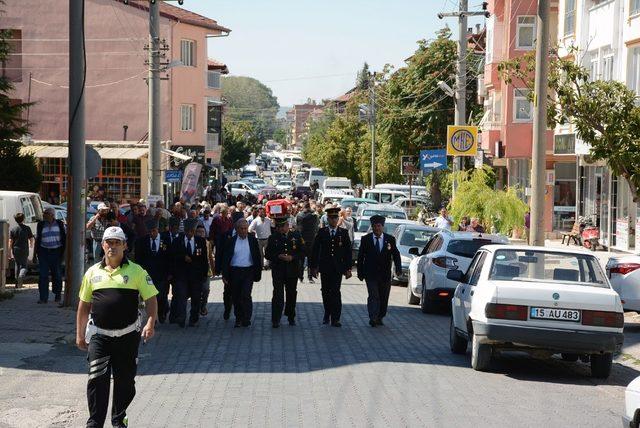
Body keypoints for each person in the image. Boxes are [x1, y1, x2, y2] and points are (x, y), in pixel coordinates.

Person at [75, 226, 158, 428]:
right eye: (108, 242)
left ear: (125, 246)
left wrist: (150, 321)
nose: (112, 247)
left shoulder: (137, 271)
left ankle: (119, 419)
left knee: (125, 382)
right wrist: (79, 334)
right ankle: (95, 422)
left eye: (117, 243)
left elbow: (151, 299)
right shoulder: (92, 272)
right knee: (97, 380)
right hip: (99, 337)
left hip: (127, 336)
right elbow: (83, 306)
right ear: (102, 245)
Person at [310, 206, 352, 327]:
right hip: (325, 267)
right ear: (327, 219)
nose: (333, 220)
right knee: (325, 292)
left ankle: (336, 318)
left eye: (335, 218)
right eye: (331, 218)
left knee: (335, 292)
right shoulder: (322, 232)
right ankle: (327, 312)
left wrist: (348, 268)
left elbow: (347, 252)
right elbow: (315, 250)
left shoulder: (343, 233)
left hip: (337, 269)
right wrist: (313, 267)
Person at [357, 215, 402, 327]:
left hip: (385, 275)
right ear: (371, 227)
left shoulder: (390, 239)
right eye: (374, 226)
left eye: (378, 226)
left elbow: (396, 255)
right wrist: (360, 272)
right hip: (370, 274)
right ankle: (373, 317)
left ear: (382, 226)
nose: (376, 228)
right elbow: (360, 257)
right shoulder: (366, 239)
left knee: (383, 297)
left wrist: (398, 269)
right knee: (373, 295)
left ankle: (380, 316)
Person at [220, 219, 262, 327]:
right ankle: (238, 317)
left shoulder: (252, 240)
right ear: (237, 229)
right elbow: (225, 258)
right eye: (241, 229)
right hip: (235, 272)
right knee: (236, 296)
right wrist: (224, 274)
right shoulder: (231, 241)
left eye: (245, 229)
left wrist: (258, 272)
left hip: (248, 271)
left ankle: (246, 318)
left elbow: (257, 256)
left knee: (246, 294)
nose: (244, 231)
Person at [265, 217, 304, 328]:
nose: (282, 229)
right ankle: (275, 319)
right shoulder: (273, 237)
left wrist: (293, 257)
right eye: (279, 227)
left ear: (288, 225)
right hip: (278, 270)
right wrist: (278, 256)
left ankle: (291, 316)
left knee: (291, 294)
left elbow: (303, 251)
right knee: (278, 294)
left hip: (292, 270)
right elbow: (267, 254)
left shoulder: (296, 236)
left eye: (284, 226)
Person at [169, 218, 208, 327]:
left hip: (196, 275)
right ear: (184, 231)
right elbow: (173, 257)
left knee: (196, 297)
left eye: (191, 231)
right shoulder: (178, 241)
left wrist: (204, 274)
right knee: (181, 297)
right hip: (182, 275)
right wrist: (182, 257)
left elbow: (204, 259)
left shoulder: (200, 241)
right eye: (187, 231)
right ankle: (181, 318)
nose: (189, 233)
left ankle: (193, 318)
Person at [134, 219, 171, 324]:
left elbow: (170, 257)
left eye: (154, 231)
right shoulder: (142, 241)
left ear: (158, 230)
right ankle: (152, 317)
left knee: (162, 295)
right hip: (148, 274)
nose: (152, 233)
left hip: (162, 274)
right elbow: (138, 259)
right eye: (150, 231)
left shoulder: (166, 240)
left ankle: (162, 312)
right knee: (149, 297)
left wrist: (169, 272)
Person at [34, 207, 66, 304]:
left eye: (46, 213)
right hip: (43, 252)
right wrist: (35, 254)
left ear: (52, 215)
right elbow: (38, 239)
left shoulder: (60, 224)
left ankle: (57, 294)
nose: (44, 215)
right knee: (43, 275)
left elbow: (64, 238)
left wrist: (64, 253)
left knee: (57, 275)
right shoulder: (41, 224)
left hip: (56, 252)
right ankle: (43, 298)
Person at [9, 212, 34, 289]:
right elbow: (31, 239)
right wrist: (31, 245)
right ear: (23, 219)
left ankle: (17, 284)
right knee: (24, 266)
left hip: (15, 249)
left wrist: (9, 252)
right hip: (24, 249)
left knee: (17, 265)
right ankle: (21, 276)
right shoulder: (27, 228)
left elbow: (10, 241)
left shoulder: (13, 229)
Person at [296, 202, 319, 283]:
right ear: (309, 207)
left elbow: (297, 228)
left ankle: (300, 278)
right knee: (310, 260)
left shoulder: (299, 216)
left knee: (301, 260)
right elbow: (316, 228)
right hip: (311, 240)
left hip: (301, 240)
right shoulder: (314, 216)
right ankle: (310, 278)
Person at [195, 224, 213, 316]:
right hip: (196, 270)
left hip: (207, 270)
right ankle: (197, 307)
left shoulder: (207, 242)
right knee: (197, 290)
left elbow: (210, 256)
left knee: (206, 289)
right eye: (199, 232)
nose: (201, 234)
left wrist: (214, 269)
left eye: (202, 232)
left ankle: (203, 305)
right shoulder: (194, 242)